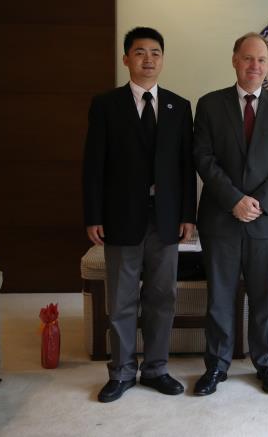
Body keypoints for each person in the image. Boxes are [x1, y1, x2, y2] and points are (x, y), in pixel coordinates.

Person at [83, 26, 196, 403]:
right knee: (121, 299)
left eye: (155, 53)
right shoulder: (106, 105)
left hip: (166, 219)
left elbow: (186, 167)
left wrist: (188, 215)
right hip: (120, 217)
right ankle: (121, 371)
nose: (148, 59)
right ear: (126, 59)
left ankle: (156, 369)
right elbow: (93, 165)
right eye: (140, 52)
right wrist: (93, 215)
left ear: (162, 60)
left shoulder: (179, 106)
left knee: (163, 298)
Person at [192, 32, 268, 396]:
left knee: (264, 298)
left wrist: (259, 201)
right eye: (248, 58)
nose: (254, 65)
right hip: (220, 218)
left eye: (261, 60)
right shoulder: (210, 105)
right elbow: (203, 157)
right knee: (219, 297)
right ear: (235, 60)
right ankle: (217, 365)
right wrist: (234, 200)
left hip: (267, 220)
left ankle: (266, 364)